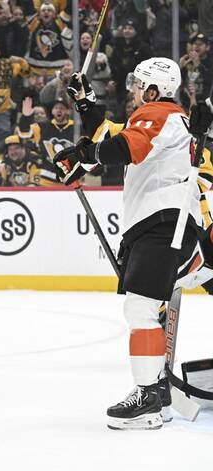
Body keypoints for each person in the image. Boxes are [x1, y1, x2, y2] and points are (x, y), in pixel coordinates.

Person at [54, 58, 202, 430]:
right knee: (145, 310)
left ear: (153, 91)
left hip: (164, 222)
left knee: (140, 309)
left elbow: (122, 147)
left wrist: (83, 154)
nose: (133, 92)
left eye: (139, 86)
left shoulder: (158, 113)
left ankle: (148, 398)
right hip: (160, 223)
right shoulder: (164, 119)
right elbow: (111, 136)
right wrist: (86, 104)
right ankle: (159, 395)